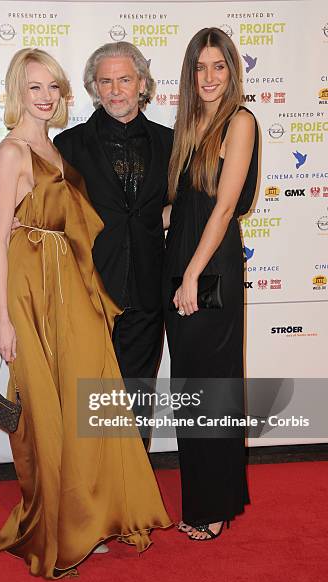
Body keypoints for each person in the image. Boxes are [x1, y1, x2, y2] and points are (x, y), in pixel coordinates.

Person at [0, 47, 171, 579]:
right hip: (32, 293)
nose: (45, 97)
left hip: (73, 285)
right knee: (47, 412)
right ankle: (57, 532)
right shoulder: (13, 151)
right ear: (17, 90)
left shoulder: (55, 147)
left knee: (89, 404)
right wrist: (2, 319)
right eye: (34, 87)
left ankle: (90, 516)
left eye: (52, 87)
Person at [163, 28, 259, 540]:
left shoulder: (239, 121)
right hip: (182, 260)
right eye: (200, 68)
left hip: (211, 266)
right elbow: (188, 203)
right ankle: (202, 496)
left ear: (232, 71)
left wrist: (195, 275)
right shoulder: (189, 125)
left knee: (214, 387)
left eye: (218, 66)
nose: (208, 77)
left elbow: (223, 208)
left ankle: (216, 504)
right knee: (189, 388)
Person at [53, 42, 173, 444]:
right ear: (94, 87)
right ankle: (95, 493)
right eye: (106, 81)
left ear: (142, 83)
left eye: (125, 79)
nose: (116, 90)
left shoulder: (169, 144)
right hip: (89, 290)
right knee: (92, 399)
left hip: (147, 288)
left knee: (137, 396)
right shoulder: (69, 146)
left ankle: (133, 494)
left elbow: (185, 206)